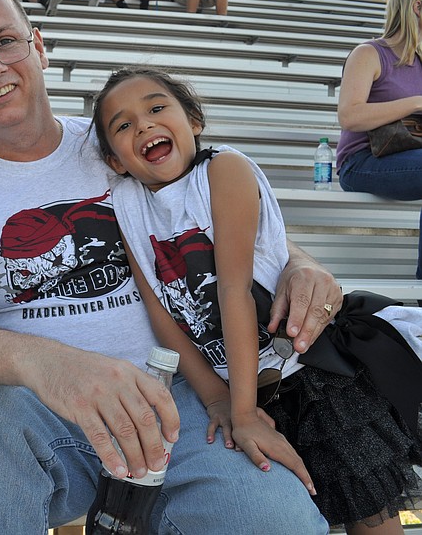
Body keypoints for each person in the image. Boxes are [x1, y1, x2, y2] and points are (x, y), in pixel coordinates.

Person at [0, 0, 341, 533]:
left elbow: (218, 214)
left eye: (6, 42)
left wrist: (300, 261)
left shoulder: (122, 139)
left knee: (280, 523)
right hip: (40, 415)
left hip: (174, 404)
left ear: (38, 47)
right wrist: (49, 365)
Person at [93, 65, 422, 534]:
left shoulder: (223, 170)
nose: (143, 124)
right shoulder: (126, 206)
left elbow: (234, 290)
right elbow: (161, 313)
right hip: (245, 394)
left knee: (369, 516)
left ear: (194, 121)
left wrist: (243, 412)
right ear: (117, 160)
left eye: (157, 107)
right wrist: (217, 401)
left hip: (310, 379)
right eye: (123, 125)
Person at [337, 0, 422, 281]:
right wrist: (415, 103)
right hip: (362, 162)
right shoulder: (370, 53)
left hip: (410, 159)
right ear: (417, 7)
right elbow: (349, 116)